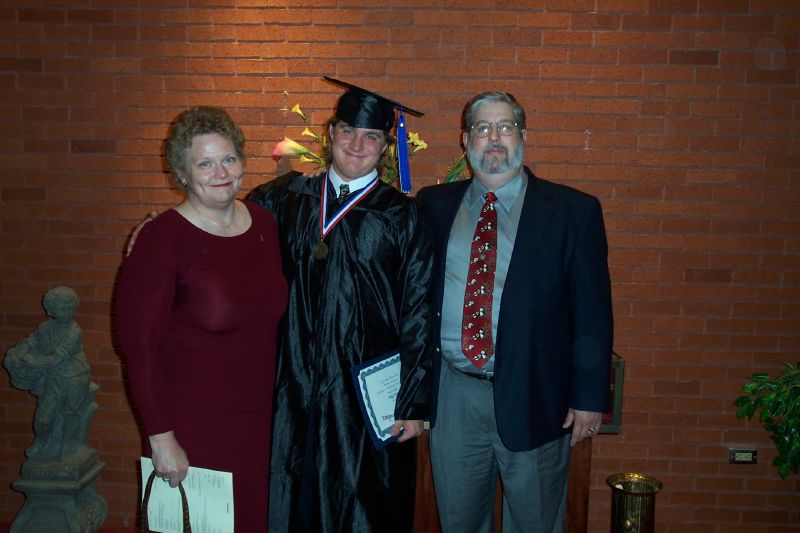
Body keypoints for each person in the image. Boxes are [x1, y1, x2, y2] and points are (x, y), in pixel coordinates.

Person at [415, 91, 613, 533]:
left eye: (505, 127)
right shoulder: (434, 206)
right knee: (459, 522)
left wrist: (589, 399)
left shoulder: (572, 211)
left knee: (536, 523)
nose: (494, 139)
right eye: (483, 129)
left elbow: (593, 311)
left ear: (522, 135)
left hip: (535, 393)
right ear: (465, 139)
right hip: (455, 396)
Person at [246, 78, 433, 533]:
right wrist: (167, 228)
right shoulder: (283, 198)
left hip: (364, 388)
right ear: (330, 133)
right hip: (290, 378)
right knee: (289, 489)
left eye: (371, 136)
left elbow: (420, 309)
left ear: (386, 147)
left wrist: (413, 401)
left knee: (362, 500)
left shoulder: (402, 214)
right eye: (348, 130)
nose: (357, 144)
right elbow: (223, 229)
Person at [114, 106, 288, 531]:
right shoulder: (162, 239)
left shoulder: (265, 224)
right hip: (193, 428)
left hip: (262, 423)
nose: (220, 172)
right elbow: (139, 348)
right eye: (204, 163)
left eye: (228, 159)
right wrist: (161, 437)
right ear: (182, 173)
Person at [4, 286, 92, 459]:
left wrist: (33, 362)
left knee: (70, 412)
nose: (67, 312)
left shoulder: (74, 331)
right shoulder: (44, 328)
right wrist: (17, 355)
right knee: (43, 419)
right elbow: (30, 342)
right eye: (62, 308)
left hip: (74, 377)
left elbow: (55, 360)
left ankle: (69, 445)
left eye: (70, 308)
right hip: (52, 377)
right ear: (50, 309)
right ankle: (42, 441)